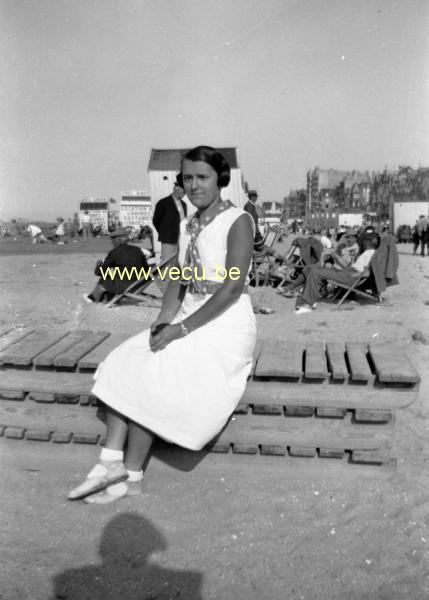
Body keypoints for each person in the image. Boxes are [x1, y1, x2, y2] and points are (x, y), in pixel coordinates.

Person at [68, 146, 256, 504]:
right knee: (130, 355)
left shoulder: (238, 221)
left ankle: (130, 475)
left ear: (221, 180)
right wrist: (162, 321)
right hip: (191, 311)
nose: (195, 185)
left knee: (160, 368)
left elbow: (232, 288)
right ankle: (111, 463)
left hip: (226, 321)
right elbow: (180, 282)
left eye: (203, 177)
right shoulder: (190, 224)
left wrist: (180, 330)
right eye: (188, 178)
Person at [294, 235, 379, 314]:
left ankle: (307, 304)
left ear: (367, 242)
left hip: (350, 276)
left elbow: (367, 273)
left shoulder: (371, 253)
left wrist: (356, 275)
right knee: (315, 270)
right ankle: (309, 300)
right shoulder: (368, 252)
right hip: (347, 272)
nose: (362, 243)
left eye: (364, 241)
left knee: (316, 272)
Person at [83, 227, 150, 303]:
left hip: (125, 287)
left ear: (119, 239)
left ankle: (92, 298)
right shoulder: (137, 250)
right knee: (114, 274)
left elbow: (99, 272)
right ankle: (95, 296)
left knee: (105, 277)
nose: (111, 242)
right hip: (138, 285)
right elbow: (146, 269)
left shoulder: (114, 252)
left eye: (113, 239)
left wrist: (99, 265)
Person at [152, 175, 188, 264]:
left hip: (181, 240)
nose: (178, 189)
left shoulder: (184, 204)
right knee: (167, 265)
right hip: (168, 239)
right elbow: (156, 221)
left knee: (179, 263)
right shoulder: (163, 203)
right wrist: (165, 232)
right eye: (176, 187)